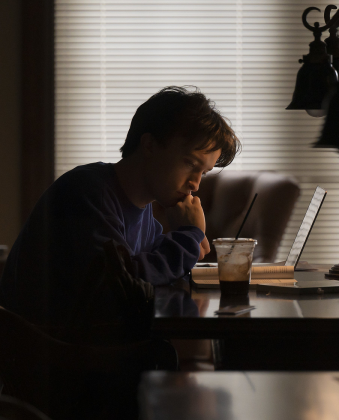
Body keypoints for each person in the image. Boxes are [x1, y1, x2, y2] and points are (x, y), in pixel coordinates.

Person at [0, 86, 240, 327]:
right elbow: (121, 286)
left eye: (204, 172)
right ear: (149, 145)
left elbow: (143, 268)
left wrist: (184, 240)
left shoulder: (143, 212)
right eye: (190, 163)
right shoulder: (87, 191)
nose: (195, 184)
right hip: (45, 350)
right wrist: (188, 237)